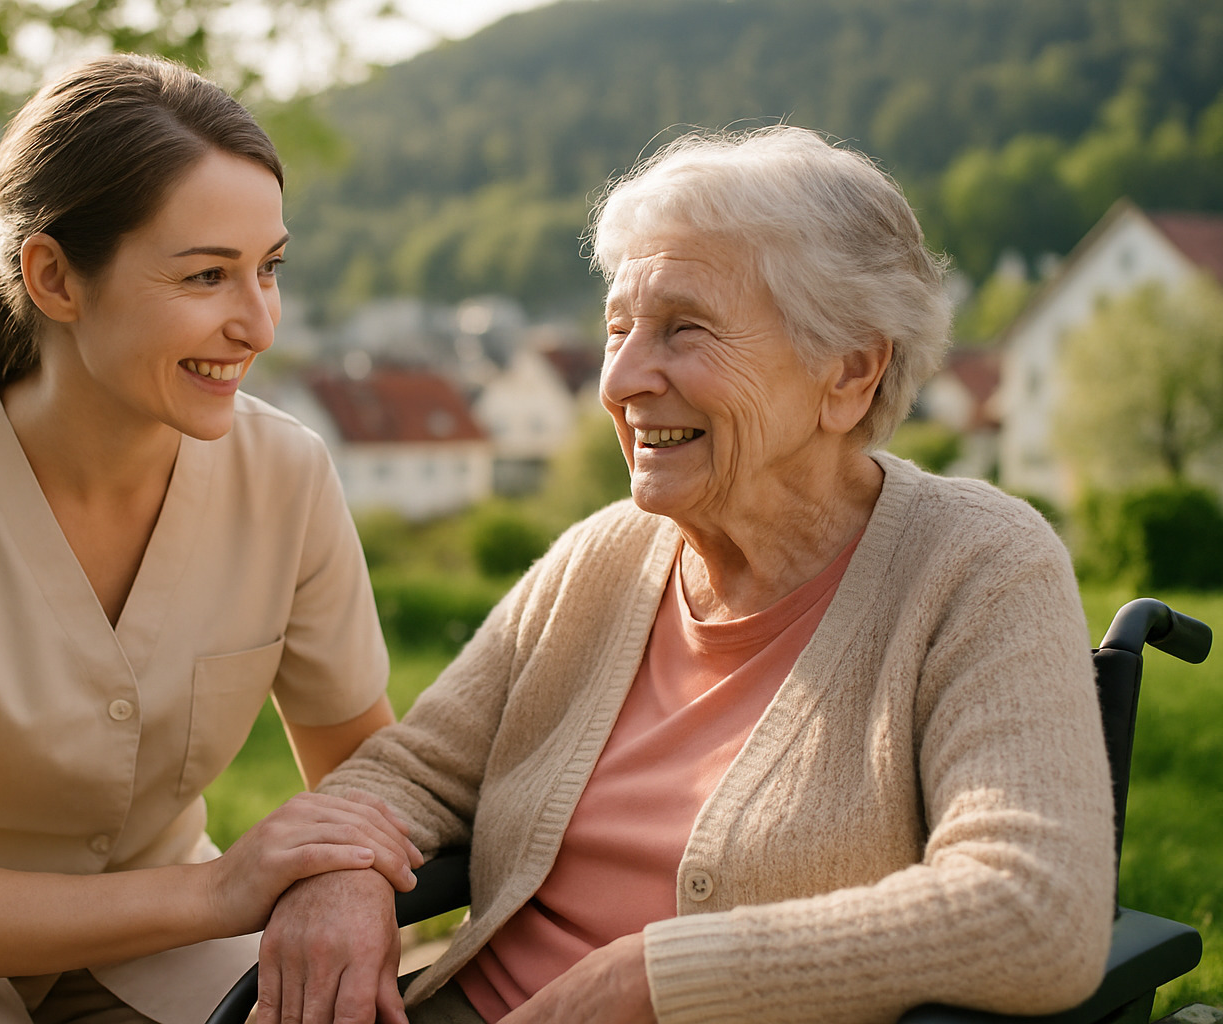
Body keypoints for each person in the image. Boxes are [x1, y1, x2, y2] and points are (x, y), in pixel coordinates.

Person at [257, 126, 1115, 1024]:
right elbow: (407, 771)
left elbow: (1033, 909)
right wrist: (342, 874)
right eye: (617, 330)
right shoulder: (605, 555)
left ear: (850, 373)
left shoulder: (976, 565)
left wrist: (655, 980)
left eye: (684, 330)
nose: (622, 379)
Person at [0, 54, 421, 1024]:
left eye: (269, 268)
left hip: (156, 943)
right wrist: (221, 890)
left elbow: (367, 768)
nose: (258, 323)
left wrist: (340, 890)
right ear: (53, 276)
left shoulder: (289, 474)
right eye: (206, 276)